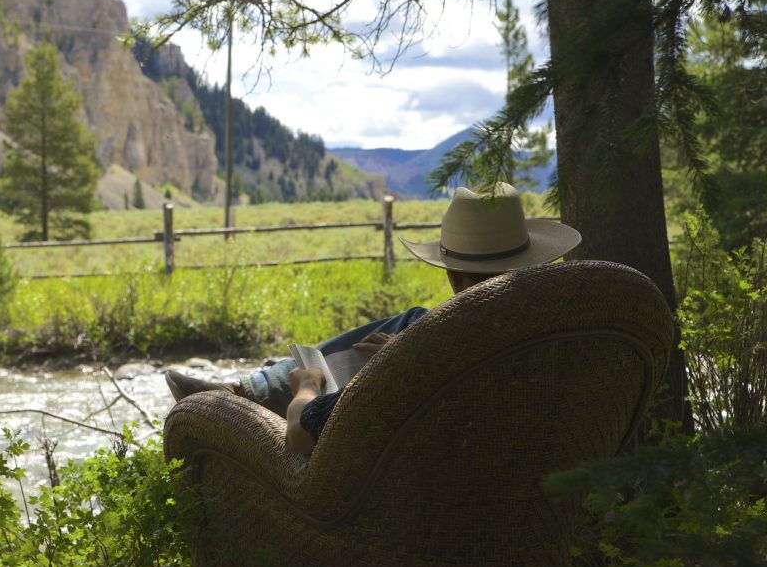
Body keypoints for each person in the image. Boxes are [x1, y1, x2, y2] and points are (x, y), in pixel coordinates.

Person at [165, 182, 581, 454]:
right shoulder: (556, 339)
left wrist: (307, 389)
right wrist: (417, 343)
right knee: (417, 318)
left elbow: (301, 435)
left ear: (452, 275)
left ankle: (252, 392)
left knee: (335, 366)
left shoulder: (429, 363)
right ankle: (247, 387)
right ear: (529, 263)